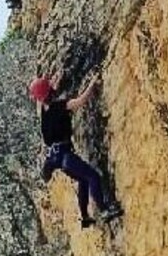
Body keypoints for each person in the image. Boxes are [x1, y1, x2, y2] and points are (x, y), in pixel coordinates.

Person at [31, 70, 121, 227]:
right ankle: (104, 210)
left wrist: (51, 80)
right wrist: (92, 83)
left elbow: (44, 94)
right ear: (50, 92)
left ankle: (85, 217)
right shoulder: (61, 106)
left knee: (82, 180)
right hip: (66, 156)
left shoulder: (43, 112)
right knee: (93, 177)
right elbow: (81, 101)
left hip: (55, 158)